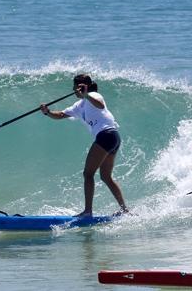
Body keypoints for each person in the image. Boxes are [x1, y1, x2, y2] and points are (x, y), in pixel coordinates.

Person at [40, 74, 128, 217]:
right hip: (112, 138)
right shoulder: (79, 106)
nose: (74, 89)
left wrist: (86, 94)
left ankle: (88, 212)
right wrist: (48, 112)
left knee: (88, 174)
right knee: (106, 177)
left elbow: (100, 104)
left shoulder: (94, 95)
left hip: (107, 135)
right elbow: (61, 115)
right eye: (74, 87)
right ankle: (124, 210)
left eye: (76, 86)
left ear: (83, 86)